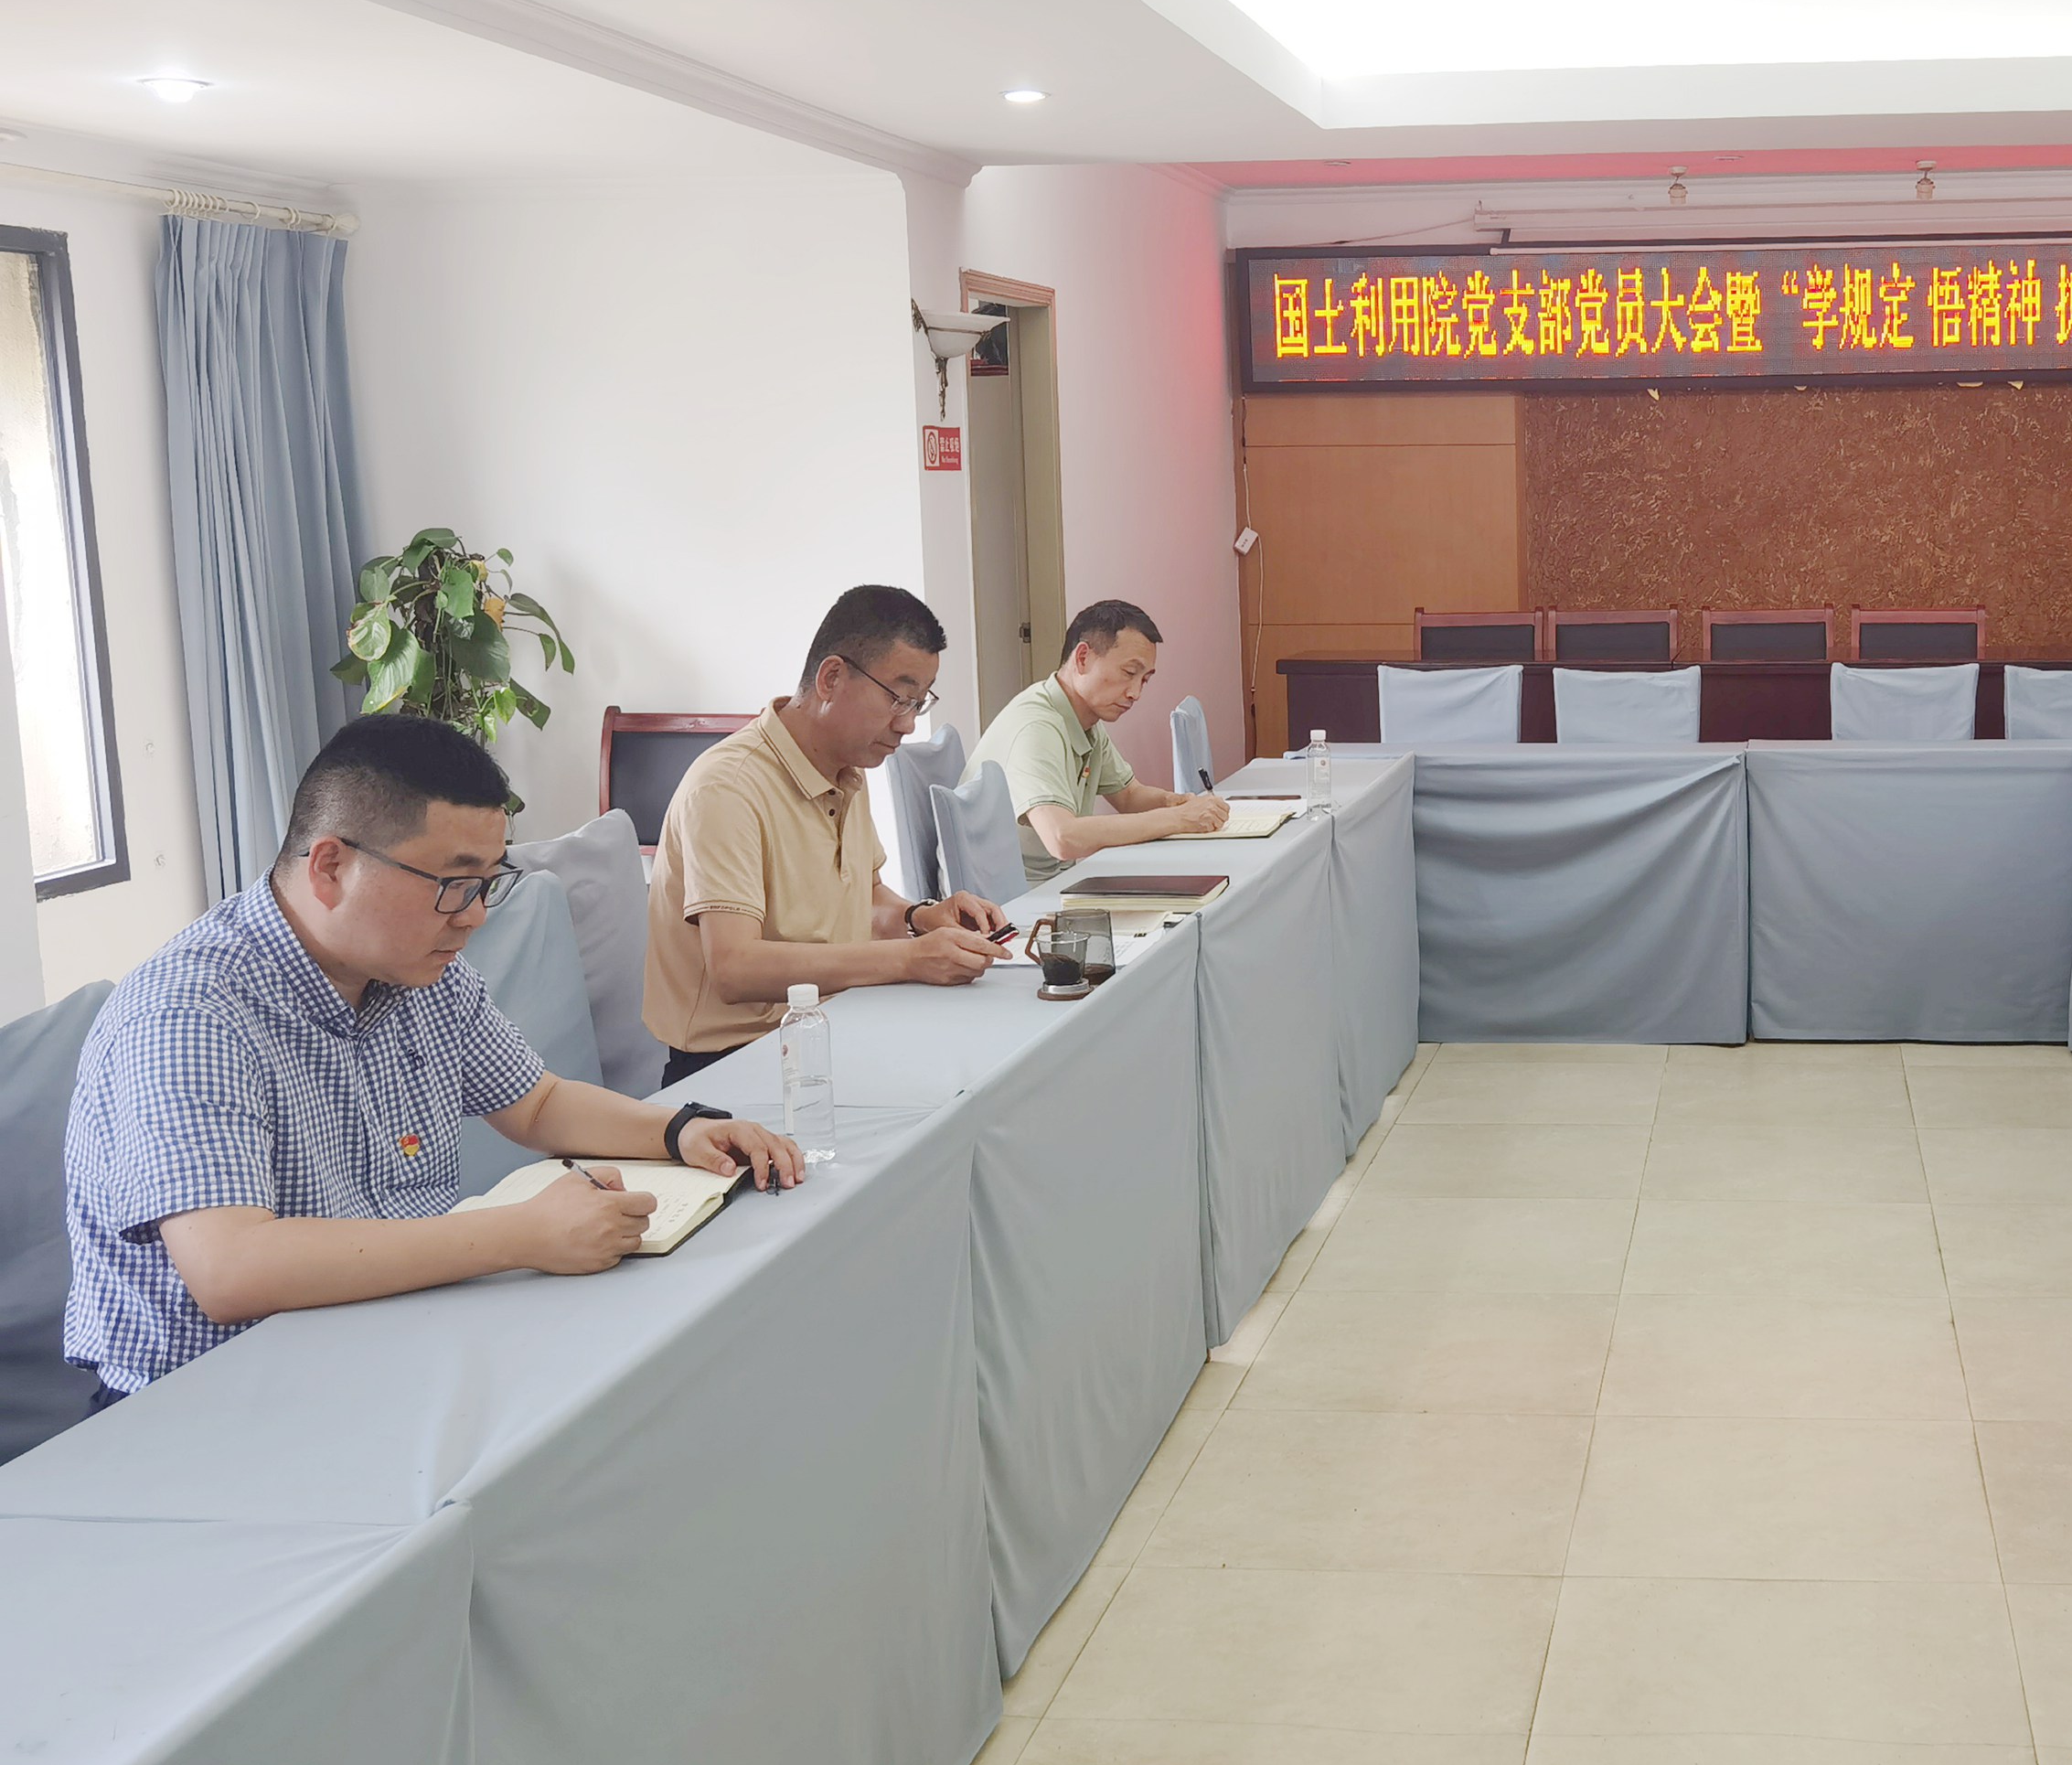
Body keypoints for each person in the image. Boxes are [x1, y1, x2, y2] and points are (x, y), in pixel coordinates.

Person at [61, 714, 806, 1405]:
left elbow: (537, 1103)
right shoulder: (189, 1013)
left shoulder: (417, 970)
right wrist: (523, 1234)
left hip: (385, 1345)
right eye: (453, 884)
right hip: (209, 1402)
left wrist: (679, 1129)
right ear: (330, 867)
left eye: (487, 883)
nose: (475, 915)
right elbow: (232, 1268)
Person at [646, 584, 1008, 1086]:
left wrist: (920, 918)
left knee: (989, 1066)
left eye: (918, 703)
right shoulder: (728, 787)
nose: (907, 724)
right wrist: (909, 958)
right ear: (831, 677)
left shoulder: (846, 767)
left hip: (832, 1028)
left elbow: (865, 898)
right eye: (898, 698)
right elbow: (735, 968)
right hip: (734, 1063)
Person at [973, 598, 1229, 886]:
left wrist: (1177, 803)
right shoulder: (1036, 727)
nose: (1135, 693)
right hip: (1008, 897)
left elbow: (1129, 796)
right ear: (1083, 658)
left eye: (1145, 680)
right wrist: (1179, 819)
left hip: (1050, 882)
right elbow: (1062, 838)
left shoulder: (1086, 721)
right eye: (1129, 673)